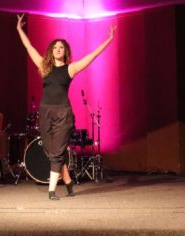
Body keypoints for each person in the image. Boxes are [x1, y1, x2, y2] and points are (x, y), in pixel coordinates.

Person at [15, 14, 115, 200]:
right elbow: (29, 47)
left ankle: (51, 191)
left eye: (61, 47)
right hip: (46, 112)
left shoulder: (71, 68)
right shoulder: (44, 66)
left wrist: (109, 39)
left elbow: (92, 56)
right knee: (51, 151)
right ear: (51, 51)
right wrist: (19, 29)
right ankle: (68, 182)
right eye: (55, 47)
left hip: (63, 114)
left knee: (58, 152)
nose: (58, 49)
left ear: (65, 51)